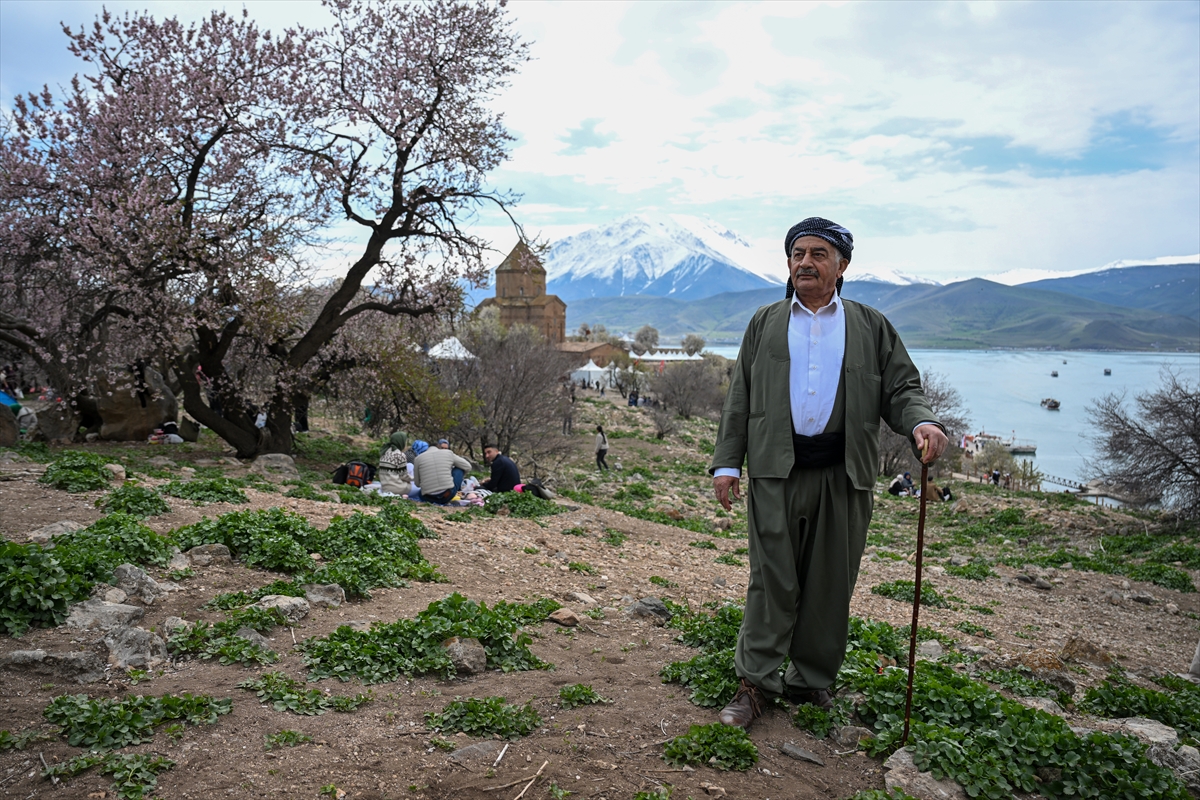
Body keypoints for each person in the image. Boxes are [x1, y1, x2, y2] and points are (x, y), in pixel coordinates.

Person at [709, 216, 948, 729]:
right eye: (797, 254)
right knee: (771, 580)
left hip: (845, 474)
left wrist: (922, 422)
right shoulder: (766, 322)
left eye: (818, 254)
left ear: (842, 266)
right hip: (776, 470)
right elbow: (740, 397)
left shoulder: (870, 325)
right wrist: (729, 463)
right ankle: (755, 685)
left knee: (830, 583)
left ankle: (810, 680)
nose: (805, 263)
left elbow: (901, 390)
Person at [413, 438, 471, 504]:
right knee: (459, 469)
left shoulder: (418, 458)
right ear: (439, 446)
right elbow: (467, 466)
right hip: (446, 495)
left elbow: (417, 484)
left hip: (427, 497)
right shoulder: (448, 453)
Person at [378, 431, 412, 497]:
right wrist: (414, 478)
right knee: (415, 487)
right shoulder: (400, 455)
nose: (406, 445)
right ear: (400, 442)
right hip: (397, 488)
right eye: (405, 442)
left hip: (385, 488)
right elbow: (403, 476)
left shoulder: (384, 452)